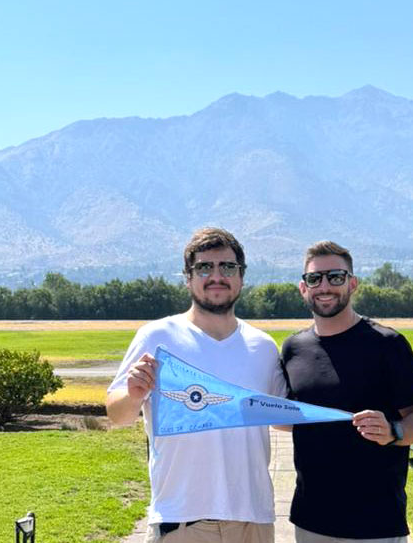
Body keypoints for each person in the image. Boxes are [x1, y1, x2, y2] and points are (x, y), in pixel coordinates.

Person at [107, 227, 285, 543]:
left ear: (241, 277)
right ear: (188, 277)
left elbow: (285, 419)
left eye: (227, 267)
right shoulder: (156, 337)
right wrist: (133, 396)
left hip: (253, 521)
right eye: (204, 267)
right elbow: (117, 415)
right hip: (182, 521)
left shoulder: (264, 347)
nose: (216, 276)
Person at [280, 241, 413, 542]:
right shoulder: (293, 348)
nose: (325, 286)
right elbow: (286, 416)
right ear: (303, 288)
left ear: (352, 284)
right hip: (310, 521)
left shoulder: (388, 344)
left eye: (335, 277)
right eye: (315, 278)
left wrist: (393, 431)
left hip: (376, 523)